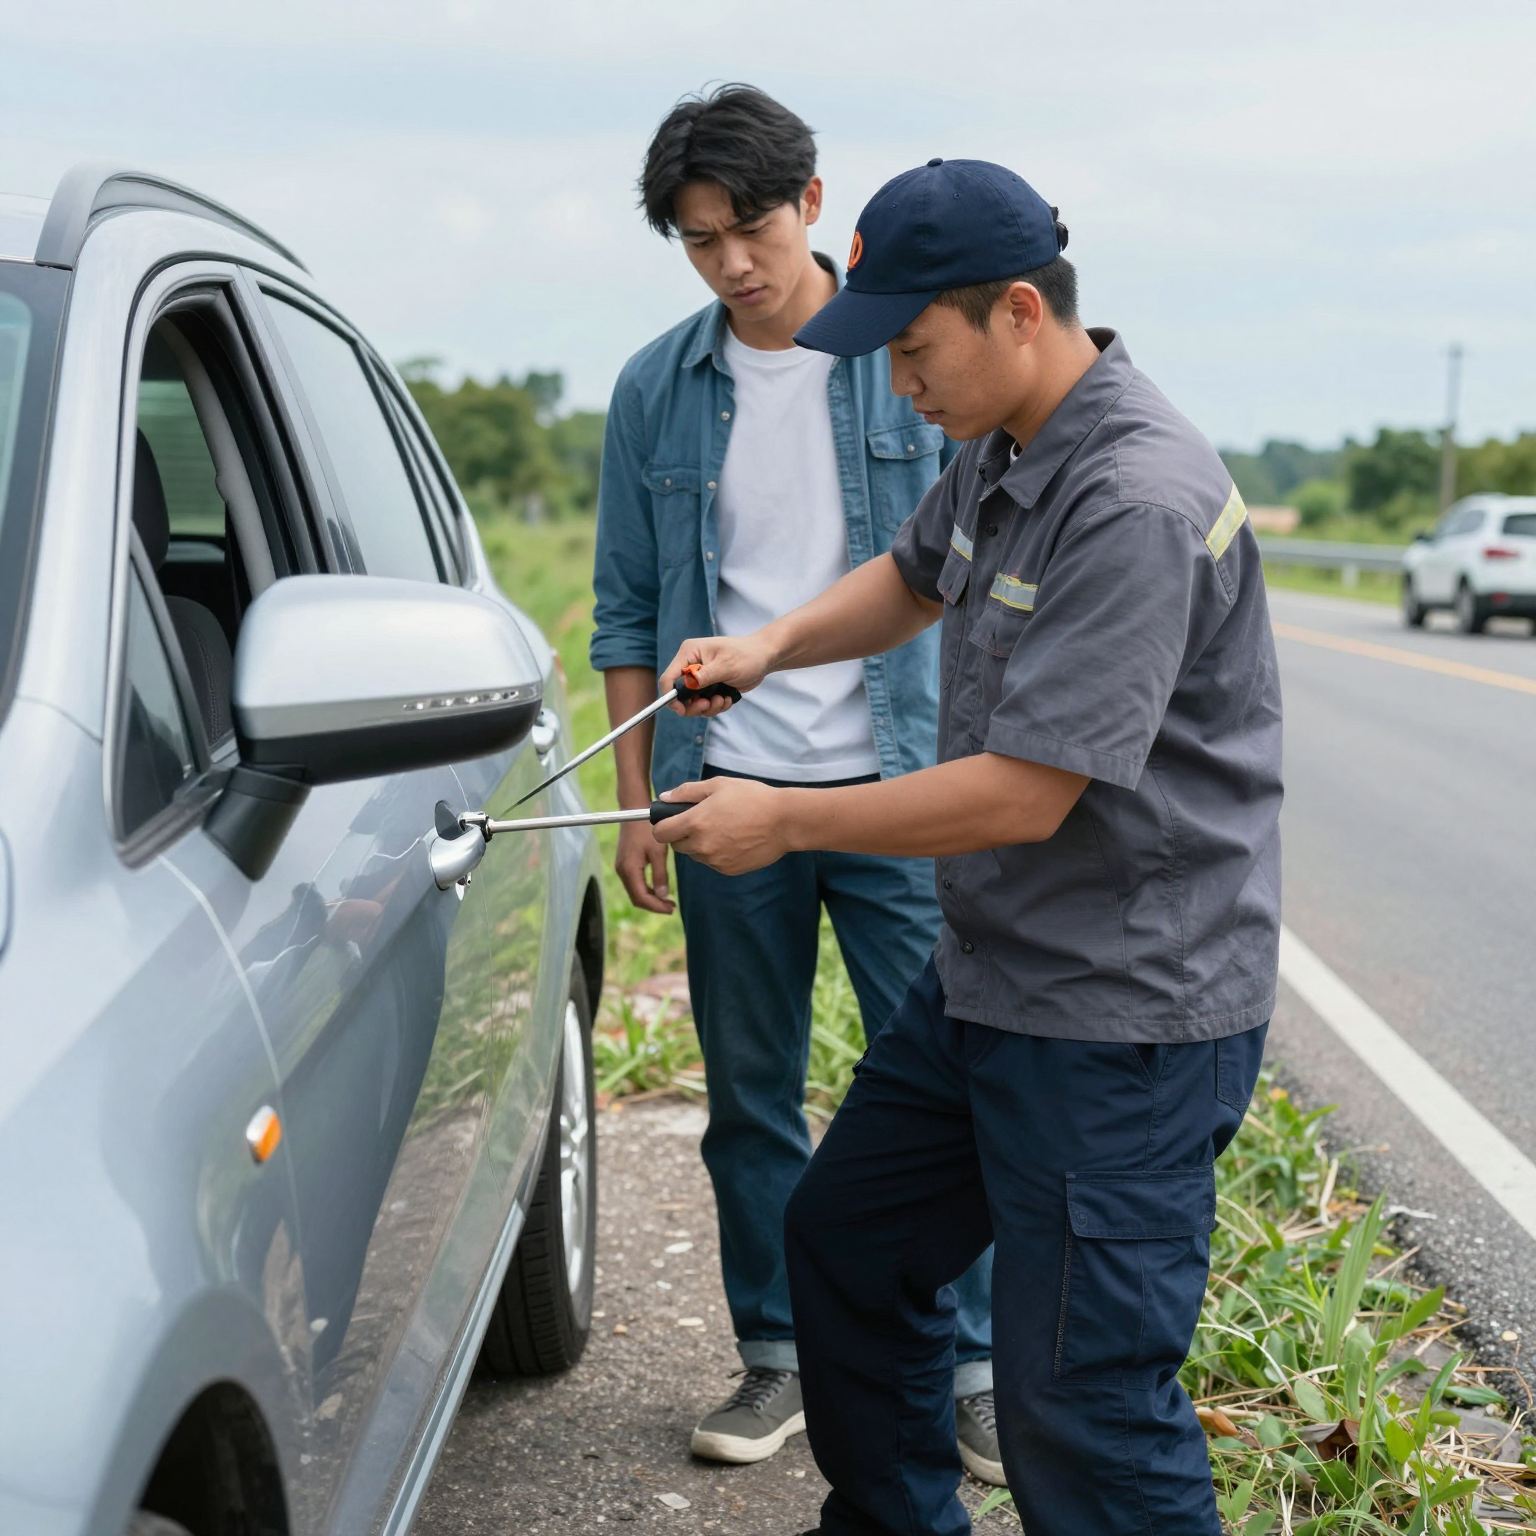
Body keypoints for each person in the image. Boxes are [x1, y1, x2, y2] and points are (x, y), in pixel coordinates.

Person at [649, 158, 1284, 1535]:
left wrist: (786, 817)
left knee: (1084, 1406)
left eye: (914, 350)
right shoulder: (1007, 448)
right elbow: (915, 575)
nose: (899, 387)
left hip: (1122, 1021)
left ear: (1014, 312)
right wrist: (768, 646)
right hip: (997, 978)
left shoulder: (1132, 497)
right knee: (849, 1246)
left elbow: (1023, 795)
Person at [590, 89, 999, 1478]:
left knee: (949, 1081)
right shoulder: (657, 387)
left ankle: (973, 1366)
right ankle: (778, 1358)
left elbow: (980, 585)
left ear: (814, 205)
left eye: (749, 228)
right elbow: (629, 608)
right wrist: (645, 792)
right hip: (726, 799)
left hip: (896, 789)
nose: (730, 264)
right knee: (749, 1094)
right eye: (697, 242)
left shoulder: (905, 361)